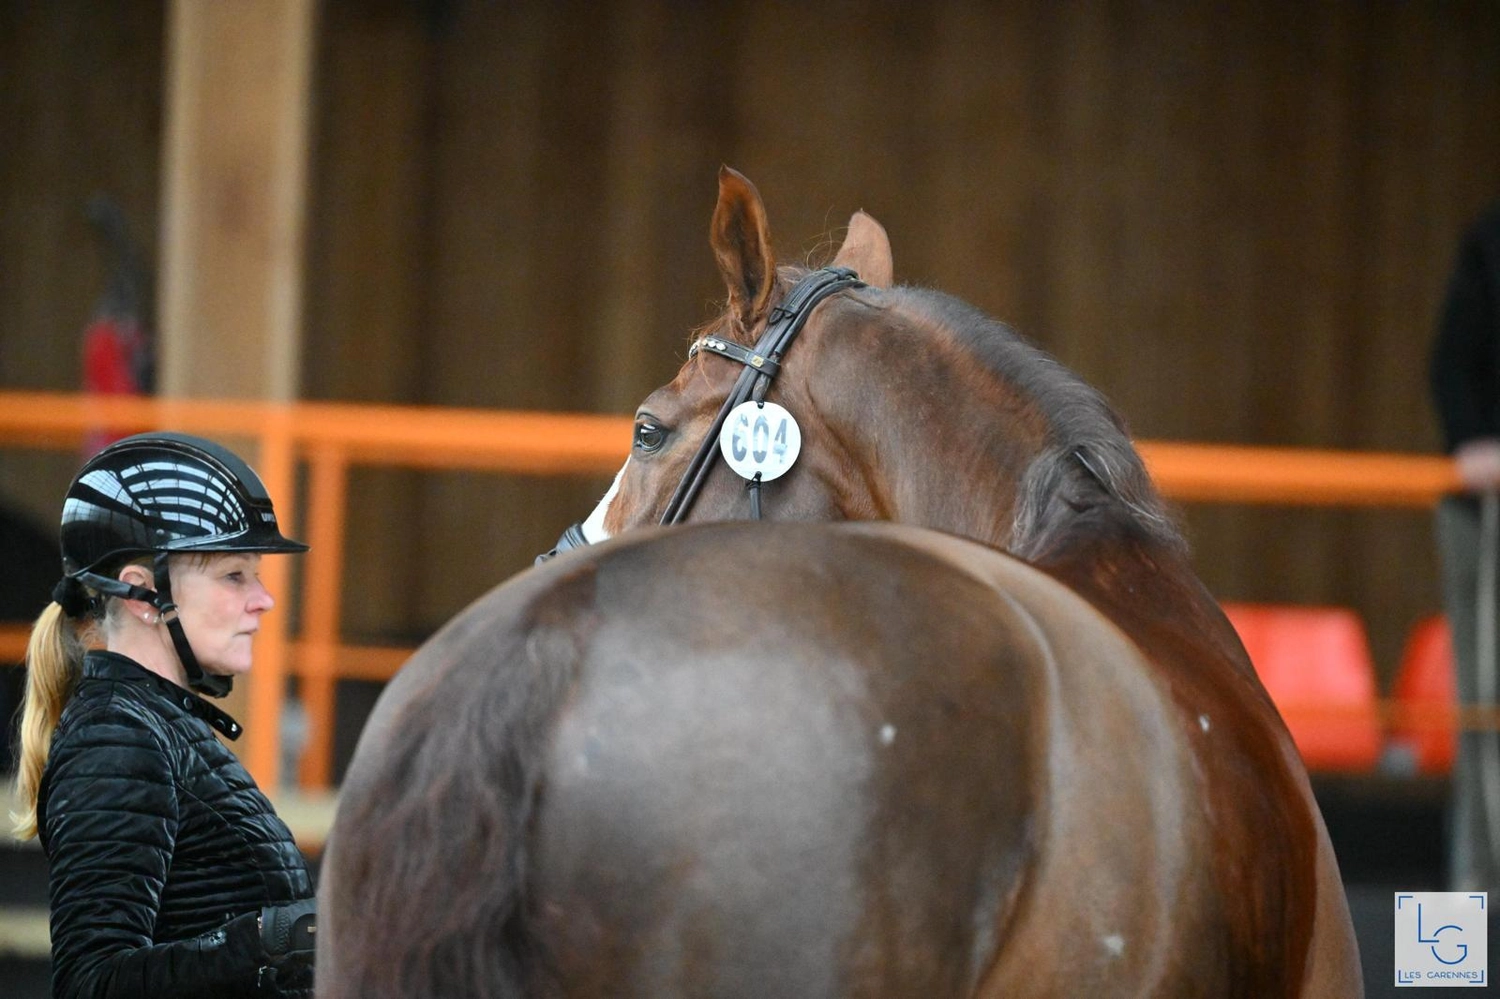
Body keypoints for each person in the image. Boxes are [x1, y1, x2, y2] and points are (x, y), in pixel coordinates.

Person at [9, 431, 317, 997]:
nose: (264, 599)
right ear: (141, 594)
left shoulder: (160, 726)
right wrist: (270, 939)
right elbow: (92, 983)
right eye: (234, 575)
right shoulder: (116, 739)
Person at [1431, 200, 1500, 892]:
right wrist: (1476, 441)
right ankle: (1480, 885)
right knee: (1485, 704)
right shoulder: (1491, 239)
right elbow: (1452, 365)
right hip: (1488, 516)